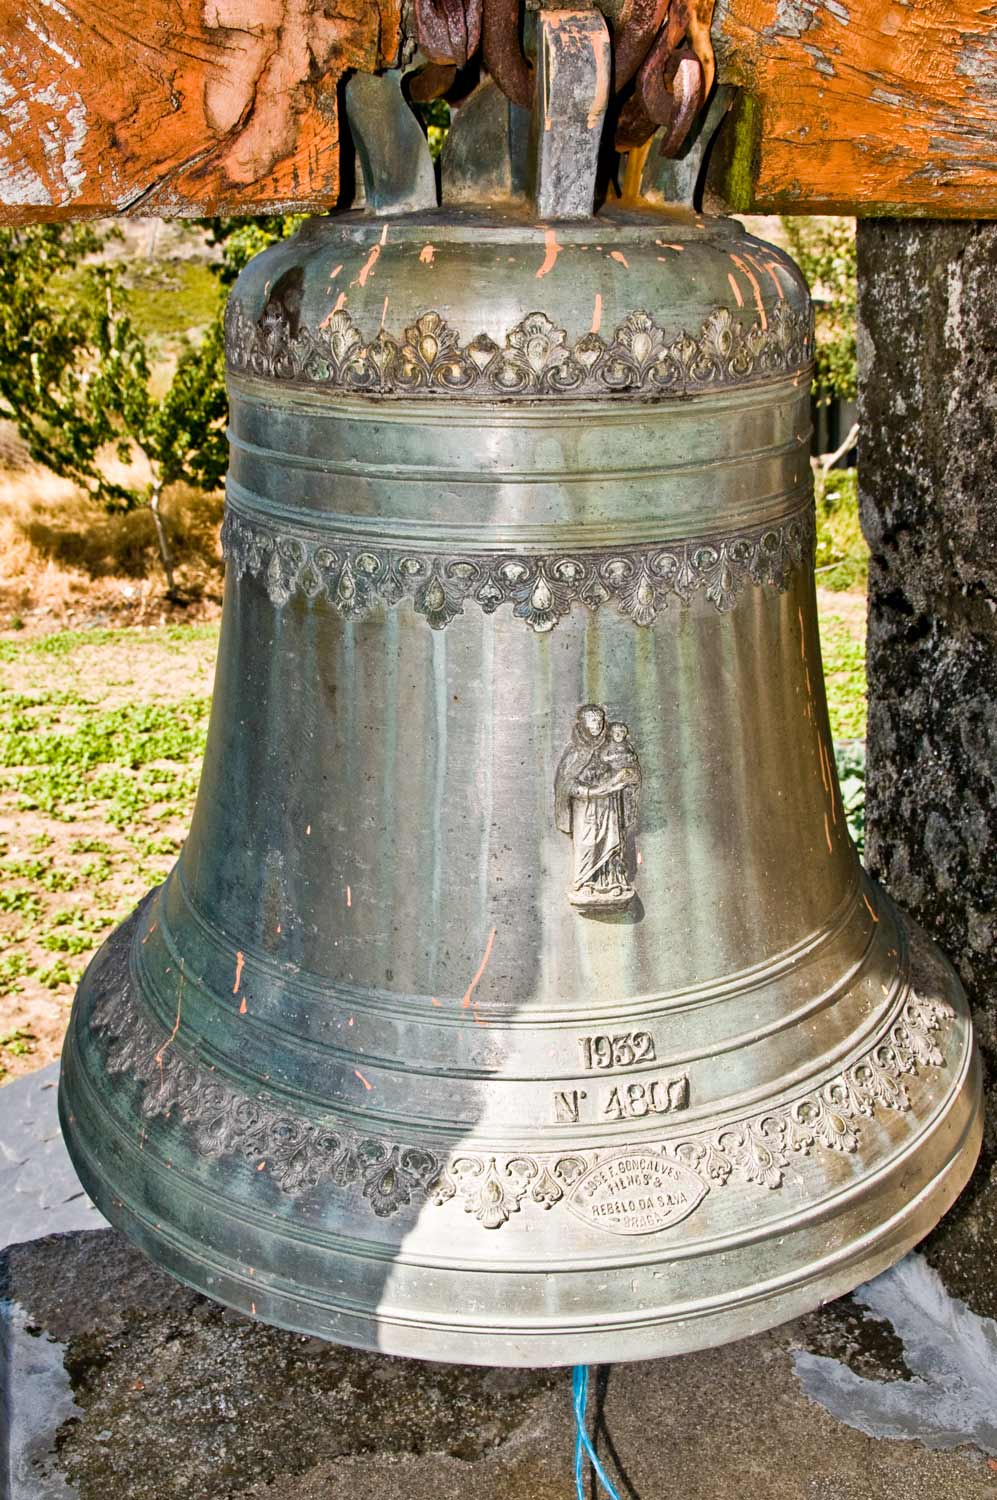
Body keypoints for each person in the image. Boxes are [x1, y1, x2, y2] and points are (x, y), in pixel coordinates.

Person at [554, 707, 641, 910]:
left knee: (612, 842)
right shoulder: (575, 752)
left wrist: (623, 778)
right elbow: (565, 783)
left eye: (600, 720)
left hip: (609, 804)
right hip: (585, 807)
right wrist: (590, 792)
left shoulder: (611, 746)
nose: (597, 725)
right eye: (592, 721)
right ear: (582, 724)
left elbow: (626, 768)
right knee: (587, 844)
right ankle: (584, 882)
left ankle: (612, 882)